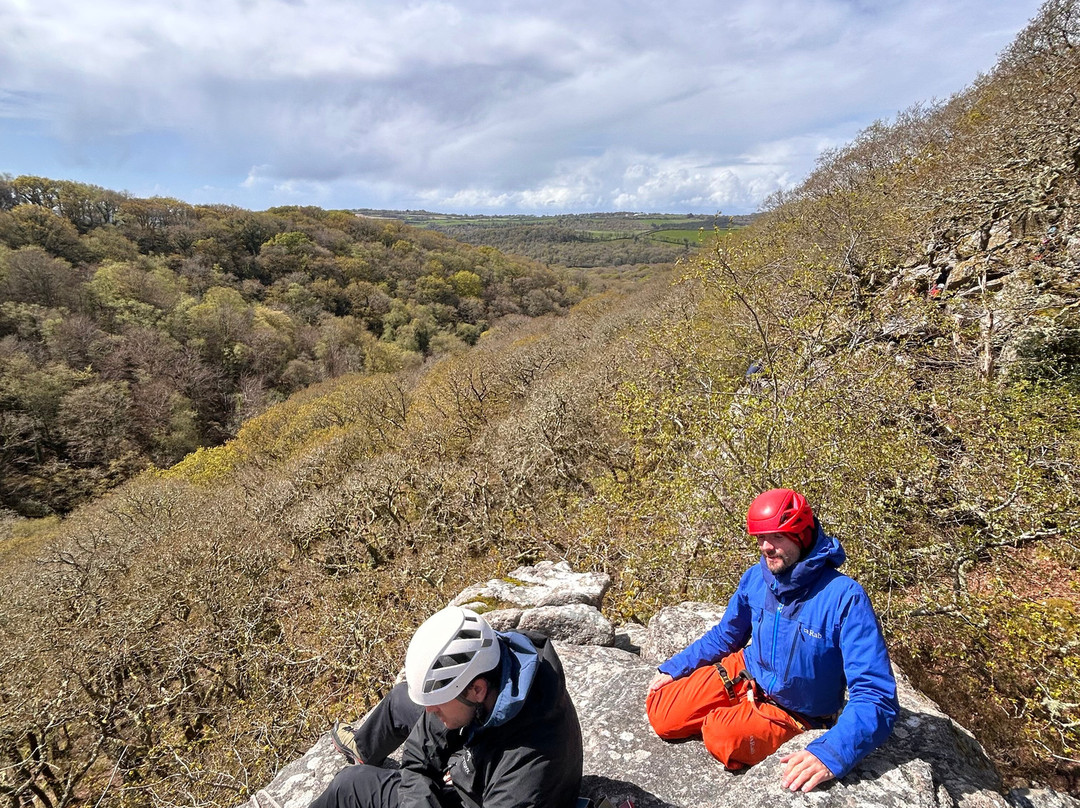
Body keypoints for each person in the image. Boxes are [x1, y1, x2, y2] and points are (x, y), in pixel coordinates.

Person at [645, 488, 899, 793]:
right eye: (760, 537)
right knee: (661, 712)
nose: (766, 547)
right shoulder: (756, 577)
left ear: (802, 534)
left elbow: (875, 694)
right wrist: (675, 667)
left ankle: (755, 718)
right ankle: (737, 705)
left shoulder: (844, 597)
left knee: (720, 734)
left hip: (797, 709)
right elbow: (728, 634)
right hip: (746, 673)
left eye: (777, 536)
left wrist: (832, 753)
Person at [311, 605, 583, 808]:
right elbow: (418, 759)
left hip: (486, 794)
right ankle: (365, 747)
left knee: (350, 785)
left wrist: (461, 770)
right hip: (482, 742)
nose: (430, 712)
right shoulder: (492, 663)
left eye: (437, 704)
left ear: (477, 689)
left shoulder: (525, 772)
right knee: (400, 700)